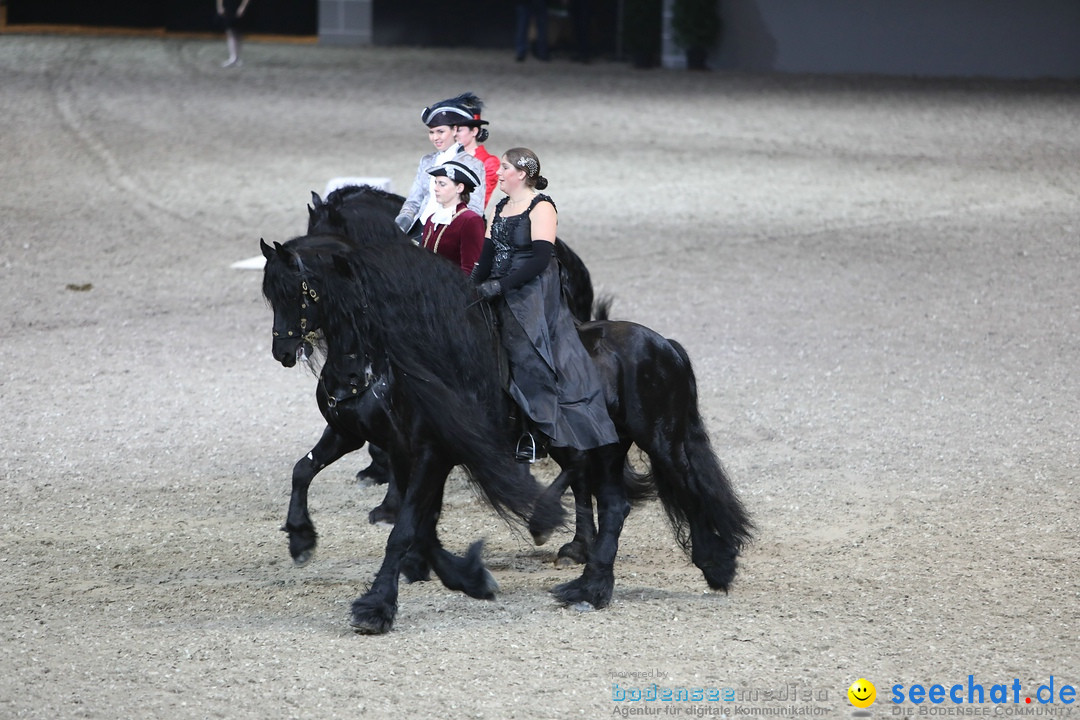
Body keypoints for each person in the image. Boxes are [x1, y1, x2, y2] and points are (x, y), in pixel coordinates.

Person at [472, 148, 617, 461]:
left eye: (504, 168)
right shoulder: (499, 208)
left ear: (521, 174)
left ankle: (538, 433)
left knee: (524, 350)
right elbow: (485, 258)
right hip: (498, 283)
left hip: (532, 289)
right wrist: (469, 288)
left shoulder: (542, 206)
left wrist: (501, 285)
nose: (498, 173)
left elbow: (539, 259)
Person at [395, 95, 487, 242]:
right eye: (431, 132)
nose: (435, 137)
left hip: (451, 234)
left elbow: (474, 208)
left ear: (455, 130)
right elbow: (414, 200)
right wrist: (400, 225)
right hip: (420, 230)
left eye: (440, 132)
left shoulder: (473, 164)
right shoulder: (427, 161)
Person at [421, 160, 486, 274]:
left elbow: (470, 269)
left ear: (459, 188)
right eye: (436, 183)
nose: (435, 188)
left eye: (442, 184)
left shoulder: (470, 220)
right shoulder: (431, 218)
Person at [452, 94, 500, 209]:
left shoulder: (488, 162)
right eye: (453, 129)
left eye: (459, 130)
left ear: (474, 131)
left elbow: (480, 199)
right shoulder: (447, 155)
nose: (454, 134)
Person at [216, 0, 252, 68]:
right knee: (230, 32)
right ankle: (233, 57)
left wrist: (243, 7)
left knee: (239, 33)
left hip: (239, 6)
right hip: (228, 6)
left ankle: (236, 57)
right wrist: (220, 6)